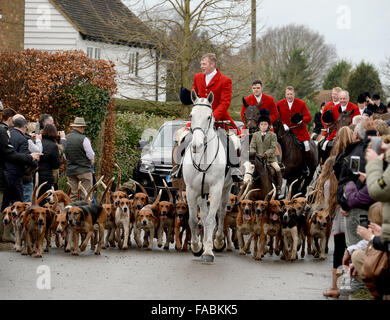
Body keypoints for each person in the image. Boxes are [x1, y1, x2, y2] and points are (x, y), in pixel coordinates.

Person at [0, 114, 40, 242]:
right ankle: (16, 235)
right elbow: (22, 157)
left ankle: (5, 233)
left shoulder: (7, 134)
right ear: (24, 127)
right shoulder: (22, 139)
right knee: (19, 207)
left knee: (5, 205)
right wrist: (34, 162)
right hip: (16, 175)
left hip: (4, 174)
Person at [316, 156, 346, 298]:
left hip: (338, 222)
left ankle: (336, 285)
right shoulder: (346, 181)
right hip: (349, 220)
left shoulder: (328, 183)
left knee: (338, 254)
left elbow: (328, 208)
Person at [276, 86, 312, 174]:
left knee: (306, 146)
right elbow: (277, 116)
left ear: (294, 94)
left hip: (299, 131)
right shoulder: (280, 104)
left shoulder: (301, 103)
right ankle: (277, 165)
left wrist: (301, 120)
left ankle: (305, 166)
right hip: (284, 131)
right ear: (285, 94)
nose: (289, 96)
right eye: (288, 94)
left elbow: (309, 117)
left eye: (291, 94)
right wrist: (283, 124)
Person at [249, 109, 282, 196]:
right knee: (249, 169)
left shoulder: (273, 135)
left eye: (265, 124)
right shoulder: (255, 135)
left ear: (268, 126)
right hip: (257, 158)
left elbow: (273, 147)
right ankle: (247, 185)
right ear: (259, 126)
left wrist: (266, 154)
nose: (263, 126)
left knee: (278, 168)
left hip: (270, 158)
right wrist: (253, 154)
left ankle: (278, 188)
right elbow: (252, 146)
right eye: (262, 124)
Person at [64, 117, 95, 202]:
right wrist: (91, 161)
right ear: (81, 127)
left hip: (71, 171)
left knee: (73, 195)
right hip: (84, 171)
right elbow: (91, 155)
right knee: (86, 195)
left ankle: (72, 212)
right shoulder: (84, 139)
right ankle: (85, 214)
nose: (84, 130)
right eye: (84, 128)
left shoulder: (65, 138)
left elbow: (64, 155)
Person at [37, 124, 60, 199]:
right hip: (47, 175)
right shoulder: (53, 146)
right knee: (46, 199)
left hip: (35, 173)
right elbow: (56, 165)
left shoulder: (38, 141)